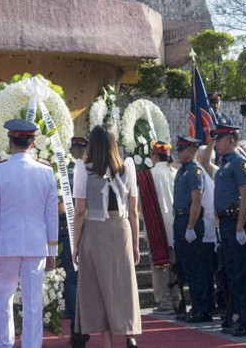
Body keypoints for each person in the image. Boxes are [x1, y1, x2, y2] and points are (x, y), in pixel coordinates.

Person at [0, 120, 57, 348]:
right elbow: (51, 216)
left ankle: (4, 344)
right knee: (33, 300)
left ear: (10, 142)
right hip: (36, 245)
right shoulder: (46, 172)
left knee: (2, 297)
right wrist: (52, 250)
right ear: (32, 143)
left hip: (6, 245)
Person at [72, 125, 141, 348]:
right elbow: (133, 210)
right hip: (121, 229)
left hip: (94, 229)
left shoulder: (84, 170)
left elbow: (79, 211)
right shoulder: (127, 168)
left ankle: (107, 343)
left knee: (98, 287)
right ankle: (129, 334)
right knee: (124, 284)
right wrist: (136, 244)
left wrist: (75, 244)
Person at [209, 123, 246, 336]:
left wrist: (240, 225)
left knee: (243, 273)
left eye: (219, 139)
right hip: (226, 223)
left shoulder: (239, 162)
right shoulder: (225, 164)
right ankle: (239, 316)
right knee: (233, 273)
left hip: (237, 221)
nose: (216, 144)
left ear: (231, 140)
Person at [172, 135, 214, 323]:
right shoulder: (182, 171)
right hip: (180, 219)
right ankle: (197, 306)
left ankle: (201, 309)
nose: (179, 153)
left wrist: (190, 227)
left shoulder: (195, 171)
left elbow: (196, 201)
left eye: (182, 150)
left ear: (192, 151)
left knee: (196, 268)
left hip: (190, 220)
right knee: (188, 267)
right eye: (178, 150)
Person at [145, 140, 178, 313]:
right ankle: (176, 299)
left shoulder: (148, 176)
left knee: (159, 266)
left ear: (155, 156)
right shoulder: (176, 173)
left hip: (156, 225)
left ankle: (164, 302)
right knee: (174, 264)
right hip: (175, 224)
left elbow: (141, 205)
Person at [62, 135, 87, 346]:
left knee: (71, 280)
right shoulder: (90, 171)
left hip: (66, 228)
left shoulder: (61, 171)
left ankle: (76, 330)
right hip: (89, 228)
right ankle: (84, 326)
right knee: (88, 281)